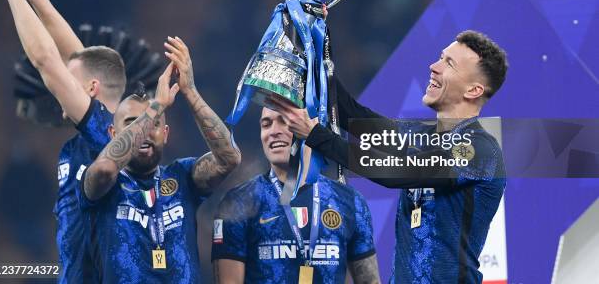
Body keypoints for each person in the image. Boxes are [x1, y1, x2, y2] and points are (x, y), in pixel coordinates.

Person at [268, 30, 508, 283]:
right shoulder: (421, 136)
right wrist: (312, 40)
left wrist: (316, 134)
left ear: (473, 90)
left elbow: (396, 171)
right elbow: (351, 113)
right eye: (440, 57)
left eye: (449, 64)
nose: (433, 67)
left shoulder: (478, 150)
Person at [0, 0, 126, 282]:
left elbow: (46, 61)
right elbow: (80, 62)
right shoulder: (104, 129)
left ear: (92, 91)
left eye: (72, 87)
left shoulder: (107, 132)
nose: (60, 97)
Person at [78, 36, 241, 283]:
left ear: (165, 134)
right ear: (112, 134)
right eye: (132, 123)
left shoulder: (182, 176)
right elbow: (104, 170)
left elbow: (229, 159)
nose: (145, 130)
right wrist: (157, 107)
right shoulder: (100, 181)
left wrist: (190, 91)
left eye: (154, 125)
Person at [212, 107, 380, 284]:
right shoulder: (238, 202)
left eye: (284, 121)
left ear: (312, 126)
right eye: (266, 124)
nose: (274, 131)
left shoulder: (350, 201)